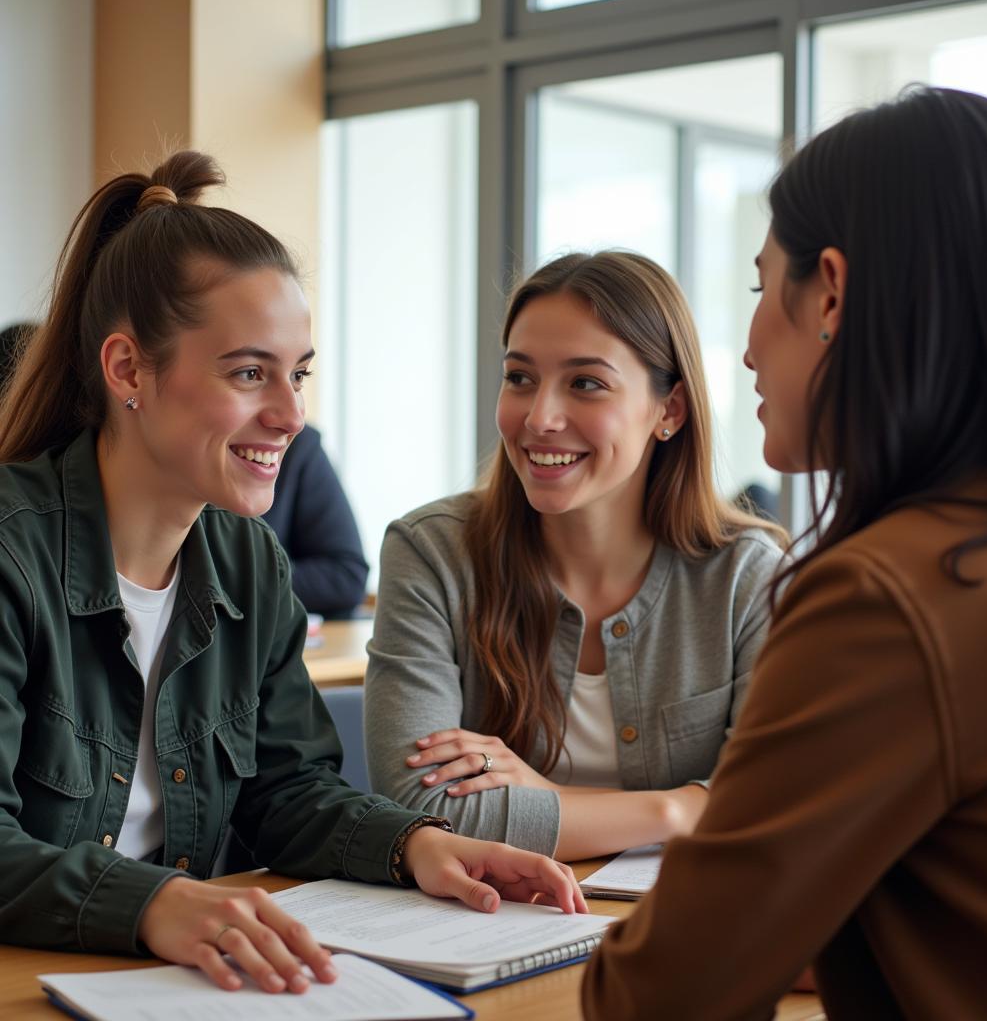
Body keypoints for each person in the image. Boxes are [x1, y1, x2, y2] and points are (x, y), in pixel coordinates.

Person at [0, 151, 585, 995]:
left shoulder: (250, 561)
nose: (291, 415)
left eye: (298, 373)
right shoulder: (13, 552)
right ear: (129, 369)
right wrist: (158, 903)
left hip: (164, 987)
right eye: (249, 373)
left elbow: (286, 789)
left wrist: (415, 844)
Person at [582, 86, 987, 1020]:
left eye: (757, 287)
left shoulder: (888, 597)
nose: (742, 350)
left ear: (830, 291)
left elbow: (657, 997)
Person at [364, 251, 786, 860]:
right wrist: (690, 806)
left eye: (586, 383)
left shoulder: (747, 576)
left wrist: (548, 795)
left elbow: (776, 799)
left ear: (668, 410)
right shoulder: (432, 552)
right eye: (520, 378)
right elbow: (420, 804)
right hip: (493, 931)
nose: (540, 417)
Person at [262, 422, 369, 618]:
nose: (293, 417)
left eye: (297, 389)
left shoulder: (297, 445)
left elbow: (347, 577)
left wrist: (241, 583)